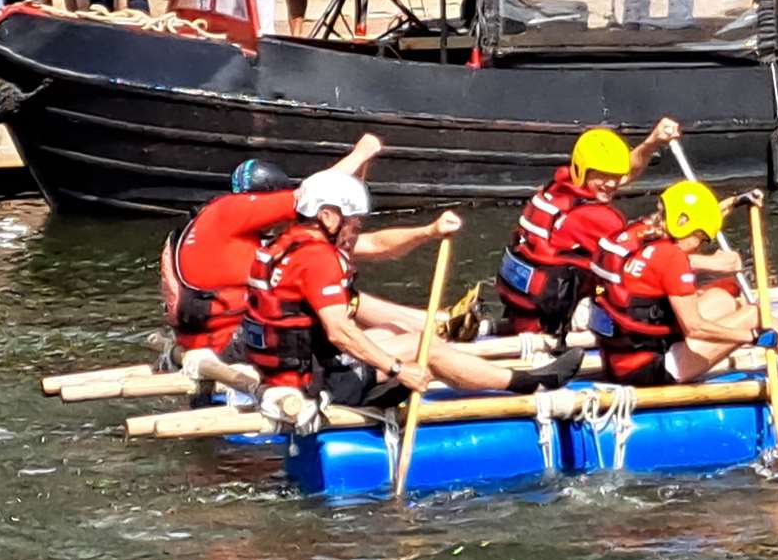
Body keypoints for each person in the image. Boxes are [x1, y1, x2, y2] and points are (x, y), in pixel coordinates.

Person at [240, 170, 585, 409]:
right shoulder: (318, 259)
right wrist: (397, 369)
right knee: (426, 350)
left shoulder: (284, 244)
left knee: (390, 333)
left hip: (290, 372)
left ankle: (499, 366)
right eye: (352, 219)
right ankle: (528, 383)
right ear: (328, 216)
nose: (357, 226)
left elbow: (377, 244)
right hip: (315, 386)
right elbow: (340, 331)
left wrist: (430, 231)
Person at [592, 181, 778, 387]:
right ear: (684, 224)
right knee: (755, 315)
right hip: (652, 368)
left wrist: (735, 201)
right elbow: (695, 328)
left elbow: (668, 251)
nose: (700, 245)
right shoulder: (671, 258)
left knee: (723, 298)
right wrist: (750, 337)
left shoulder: (638, 231)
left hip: (618, 357)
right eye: (702, 237)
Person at [164, 135, 417, 354]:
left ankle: (434, 324)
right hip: (235, 351)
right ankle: (433, 333)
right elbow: (312, 192)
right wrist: (361, 153)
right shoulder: (231, 212)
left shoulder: (228, 237)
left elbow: (372, 244)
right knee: (406, 342)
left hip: (219, 342)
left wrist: (429, 232)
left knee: (367, 316)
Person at [496, 119, 682, 336]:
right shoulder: (600, 218)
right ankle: (588, 316)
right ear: (585, 171)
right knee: (620, 285)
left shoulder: (558, 189)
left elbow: (624, 172)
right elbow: (645, 263)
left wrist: (652, 142)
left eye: (615, 176)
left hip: (524, 312)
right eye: (603, 175)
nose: (612, 183)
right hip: (552, 321)